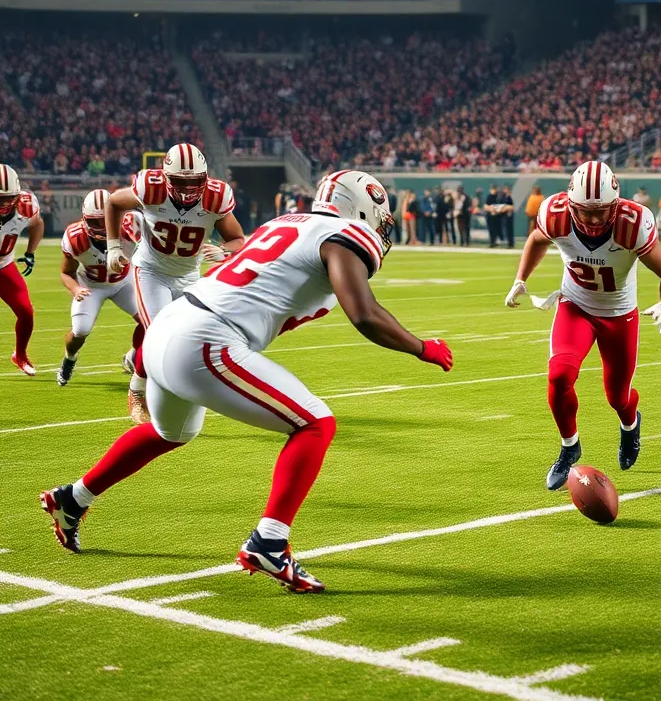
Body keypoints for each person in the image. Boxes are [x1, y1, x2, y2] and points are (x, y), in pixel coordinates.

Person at [41, 171, 454, 592]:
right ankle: (269, 543)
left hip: (170, 324)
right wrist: (423, 347)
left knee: (171, 432)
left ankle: (72, 498)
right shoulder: (345, 233)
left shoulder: (286, 221)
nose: (380, 226)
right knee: (315, 424)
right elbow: (364, 314)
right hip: (205, 337)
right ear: (360, 208)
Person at [505, 161, 661, 489]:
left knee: (618, 397)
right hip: (576, 306)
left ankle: (630, 425)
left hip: (619, 314)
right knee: (559, 375)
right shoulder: (556, 214)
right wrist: (520, 278)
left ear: (616, 205)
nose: (595, 220)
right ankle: (569, 447)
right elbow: (537, 239)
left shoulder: (632, 224)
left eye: (602, 211)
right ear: (571, 205)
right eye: (585, 212)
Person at [104, 144, 246, 423]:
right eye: (181, 181)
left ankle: (142, 361)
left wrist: (224, 251)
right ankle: (137, 390)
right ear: (166, 177)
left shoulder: (216, 197)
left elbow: (238, 239)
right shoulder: (151, 189)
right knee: (159, 333)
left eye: (195, 181)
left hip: (189, 276)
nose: (189, 188)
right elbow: (114, 202)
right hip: (151, 271)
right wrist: (113, 247)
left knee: (192, 337)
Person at [57, 191, 143, 386]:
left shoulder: (131, 226)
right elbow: (66, 273)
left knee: (149, 320)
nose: (102, 226)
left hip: (124, 282)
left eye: (105, 219)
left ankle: (133, 356)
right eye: (95, 221)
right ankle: (69, 357)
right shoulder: (76, 238)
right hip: (91, 286)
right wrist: (76, 290)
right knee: (80, 331)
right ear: (84, 219)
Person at [0, 164, 43, 375]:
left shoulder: (27, 205)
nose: (4, 203)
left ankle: (20, 354)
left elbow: (37, 224)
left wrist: (30, 252)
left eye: (8, 198)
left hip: (3, 266)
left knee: (26, 312)